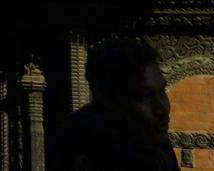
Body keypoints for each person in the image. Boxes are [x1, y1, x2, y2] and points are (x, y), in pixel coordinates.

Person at [55, 36, 177, 171]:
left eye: (162, 91)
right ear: (109, 103)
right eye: (144, 96)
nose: (162, 108)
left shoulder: (159, 148)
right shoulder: (87, 148)